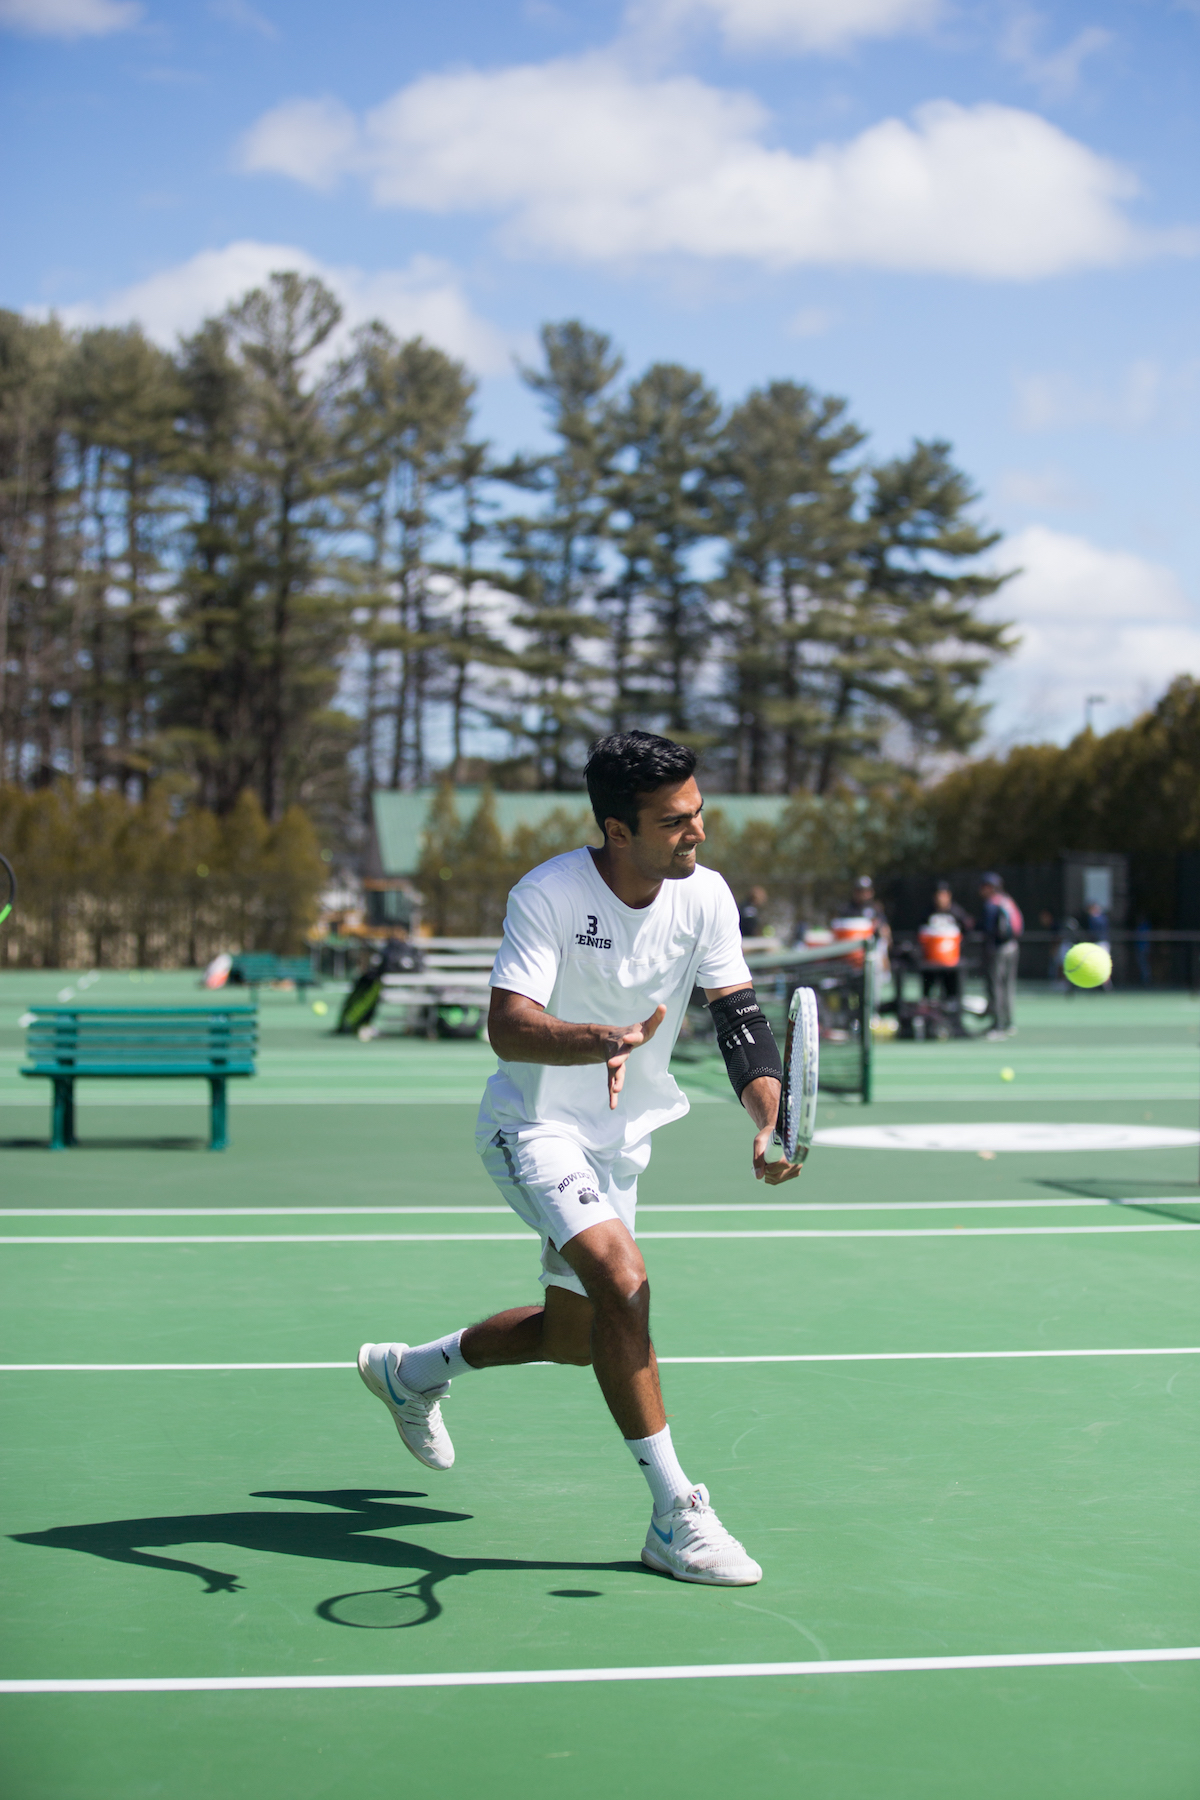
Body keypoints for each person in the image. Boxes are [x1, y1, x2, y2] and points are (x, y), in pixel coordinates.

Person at [356, 732, 801, 1588]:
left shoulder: (705, 897)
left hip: (618, 1144)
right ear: (617, 829)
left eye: (698, 813)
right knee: (625, 1284)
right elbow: (507, 1023)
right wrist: (597, 1038)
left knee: (575, 1337)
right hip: (533, 1128)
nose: (697, 833)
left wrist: (766, 1116)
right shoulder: (550, 894)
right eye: (675, 822)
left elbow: (739, 1019)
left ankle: (410, 1373)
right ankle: (677, 1515)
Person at [979, 872, 1022, 1039]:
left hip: (998, 949)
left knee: (995, 986)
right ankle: (1009, 1023)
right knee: (1008, 986)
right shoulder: (1008, 901)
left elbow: (988, 930)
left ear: (989, 888)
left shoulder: (992, 904)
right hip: (1013, 946)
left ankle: (997, 1025)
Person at [921, 881, 973, 1004]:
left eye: (943, 894)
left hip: (950, 962)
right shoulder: (928, 913)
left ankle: (951, 1019)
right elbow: (920, 933)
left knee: (951, 994)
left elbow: (967, 930)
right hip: (931, 962)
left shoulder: (957, 912)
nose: (941, 898)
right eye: (938, 894)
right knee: (928, 993)